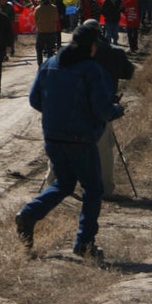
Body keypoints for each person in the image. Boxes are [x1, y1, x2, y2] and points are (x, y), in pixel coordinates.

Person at [13, 22, 123, 259]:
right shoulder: (92, 70)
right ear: (92, 46)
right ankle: (84, 243)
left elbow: (34, 101)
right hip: (82, 139)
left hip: (53, 136)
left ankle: (29, 214)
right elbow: (102, 110)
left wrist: (57, 114)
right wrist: (117, 109)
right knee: (93, 190)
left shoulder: (51, 63)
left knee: (64, 184)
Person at [88, 22, 134, 199]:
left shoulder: (73, 53)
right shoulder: (114, 52)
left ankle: (54, 184)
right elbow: (129, 73)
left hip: (76, 106)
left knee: (68, 144)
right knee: (104, 149)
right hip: (104, 105)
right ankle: (106, 189)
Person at [33, 0, 61, 67]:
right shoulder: (54, 8)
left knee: (39, 49)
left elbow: (35, 20)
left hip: (41, 32)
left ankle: (40, 65)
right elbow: (56, 19)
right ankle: (49, 65)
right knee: (50, 51)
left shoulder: (37, 9)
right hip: (51, 32)